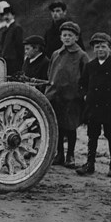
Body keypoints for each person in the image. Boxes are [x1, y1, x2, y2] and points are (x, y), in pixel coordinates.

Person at [45, 21, 89, 168]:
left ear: (76, 37)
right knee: (57, 125)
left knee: (70, 127)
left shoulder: (81, 55)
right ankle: (59, 154)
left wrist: (80, 93)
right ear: (60, 37)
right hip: (55, 96)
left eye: (70, 35)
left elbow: (86, 76)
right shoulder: (56, 54)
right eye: (64, 35)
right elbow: (50, 72)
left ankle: (70, 155)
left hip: (72, 98)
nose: (67, 38)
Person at [76, 32, 111, 177]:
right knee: (92, 136)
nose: (100, 49)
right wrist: (84, 95)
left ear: (109, 48)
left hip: (109, 108)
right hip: (93, 108)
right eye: (97, 47)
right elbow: (82, 83)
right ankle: (89, 164)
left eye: (103, 46)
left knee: (110, 136)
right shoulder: (90, 65)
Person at [0, 5, 24, 75]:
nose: (6, 17)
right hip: (4, 60)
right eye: (4, 15)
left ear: (13, 15)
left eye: (8, 14)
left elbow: (19, 46)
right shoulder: (4, 29)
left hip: (13, 61)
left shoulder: (17, 28)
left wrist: (20, 62)